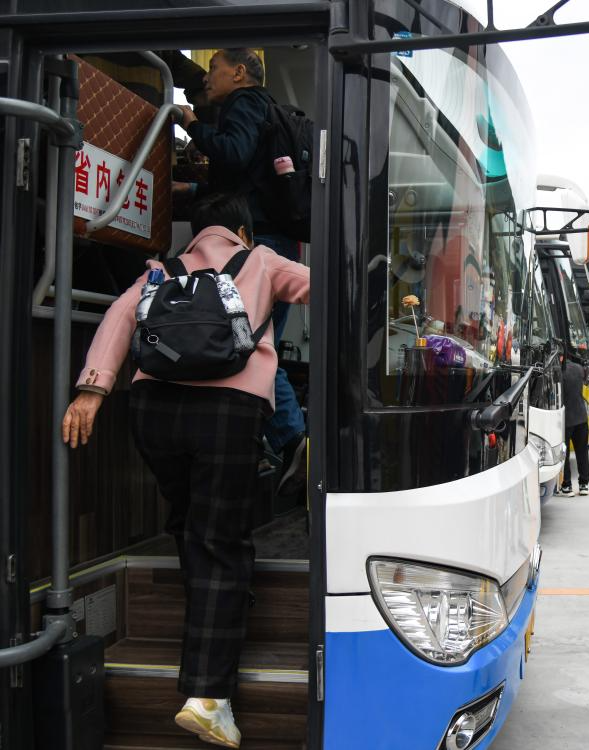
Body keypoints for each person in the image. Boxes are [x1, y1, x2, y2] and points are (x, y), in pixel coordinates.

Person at [62, 193, 310, 749]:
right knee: (220, 543)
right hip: (228, 411)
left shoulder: (163, 269)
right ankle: (208, 697)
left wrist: (92, 390)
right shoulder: (261, 260)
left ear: (195, 231)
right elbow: (324, 288)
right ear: (243, 232)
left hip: (153, 412)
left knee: (191, 521)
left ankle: (215, 603)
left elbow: (119, 316)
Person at [175, 48, 308, 499]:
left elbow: (232, 155)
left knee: (248, 348)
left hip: (258, 243)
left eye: (213, 68)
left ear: (238, 72)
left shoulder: (246, 102)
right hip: (274, 241)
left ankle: (294, 441)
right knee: (253, 345)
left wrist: (191, 123)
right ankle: (284, 444)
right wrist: (194, 188)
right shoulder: (264, 111)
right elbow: (245, 181)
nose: (207, 77)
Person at [558, 353, 589, 497]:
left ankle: (567, 486)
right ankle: (584, 484)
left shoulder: (558, 372)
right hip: (581, 417)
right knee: (582, 452)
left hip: (565, 419)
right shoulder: (578, 369)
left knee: (564, 453)